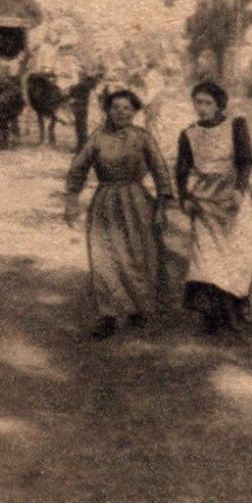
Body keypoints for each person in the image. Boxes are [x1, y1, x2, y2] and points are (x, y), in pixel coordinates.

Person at [64, 89, 174, 339]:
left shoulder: (143, 137)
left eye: (127, 108)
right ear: (108, 110)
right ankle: (108, 315)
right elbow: (79, 167)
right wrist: (72, 198)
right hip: (105, 202)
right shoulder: (97, 138)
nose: (121, 113)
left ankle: (138, 309)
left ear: (135, 112)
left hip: (137, 203)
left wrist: (161, 207)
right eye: (116, 108)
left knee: (137, 254)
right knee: (103, 256)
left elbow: (160, 172)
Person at [176, 81, 252, 335]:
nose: (202, 108)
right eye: (198, 103)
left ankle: (235, 311)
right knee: (207, 259)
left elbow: (245, 161)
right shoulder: (189, 133)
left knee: (238, 255)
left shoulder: (235, 125)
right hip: (204, 200)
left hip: (232, 198)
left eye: (207, 103)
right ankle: (212, 315)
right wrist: (185, 198)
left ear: (219, 104)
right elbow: (181, 169)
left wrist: (239, 190)